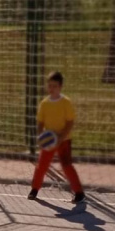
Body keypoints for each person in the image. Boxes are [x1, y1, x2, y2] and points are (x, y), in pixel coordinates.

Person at [28, 71, 86, 207]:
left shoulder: (66, 102)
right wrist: (40, 136)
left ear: (60, 87)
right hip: (49, 140)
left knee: (66, 166)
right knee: (42, 165)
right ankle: (34, 189)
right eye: (50, 86)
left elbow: (70, 122)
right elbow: (40, 122)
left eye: (54, 86)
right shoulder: (44, 103)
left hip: (64, 140)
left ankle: (79, 193)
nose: (51, 88)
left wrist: (61, 137)